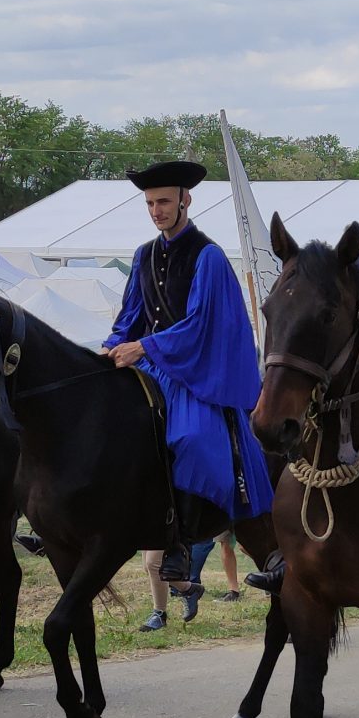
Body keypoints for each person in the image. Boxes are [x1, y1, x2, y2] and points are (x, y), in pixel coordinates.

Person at [105, 158, 273, 598]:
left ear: (185, 200)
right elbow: (130, 318)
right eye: (150, 203)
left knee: (191, 440)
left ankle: (180, 544)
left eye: (164, 201)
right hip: (152, 365)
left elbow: (202, 326)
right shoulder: (143, 255)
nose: (156, 210)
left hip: (194, 372)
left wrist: (145, 347)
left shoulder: (209, 256)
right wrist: (112, 347)